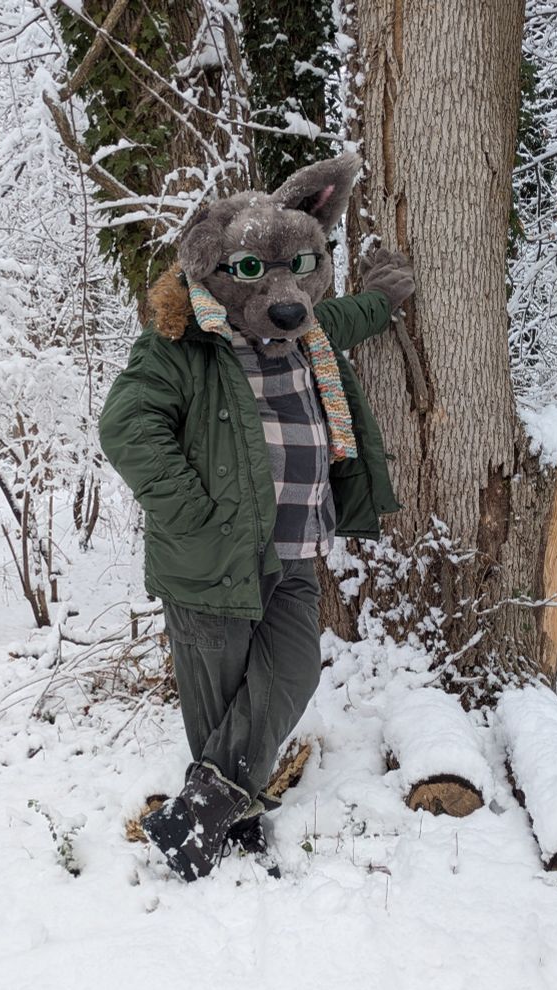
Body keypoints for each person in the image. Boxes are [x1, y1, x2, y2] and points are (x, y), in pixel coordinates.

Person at [99, 152, 414, 881]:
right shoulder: (182, 348)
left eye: (297, 271)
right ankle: (223, 825)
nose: (282, 294)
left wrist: (384, 299)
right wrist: (194, 517)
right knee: (219, 695)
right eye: (254, 273)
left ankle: (205, 812)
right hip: (213, 557)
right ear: (214, 271)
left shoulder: (304, 334)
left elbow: (335, 313)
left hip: (297, 547)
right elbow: (127, 428)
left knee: (292, 671)